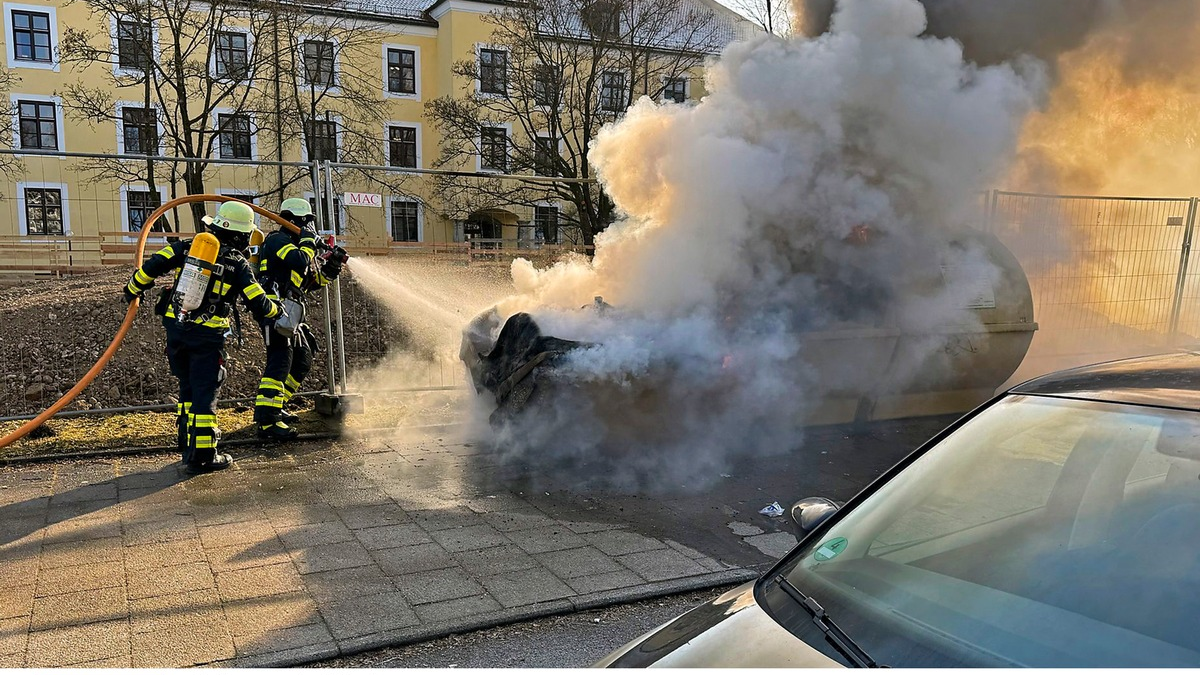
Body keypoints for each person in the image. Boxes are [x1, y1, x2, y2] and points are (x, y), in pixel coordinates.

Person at [123, 201, 281, 473]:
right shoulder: (236, 262)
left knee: (187, 387)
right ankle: (205, 456)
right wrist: (275, 307)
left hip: (175, 330)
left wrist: (132, 289)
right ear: (241, 235)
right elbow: (258, 302)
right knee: (205, 392)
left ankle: (187, 444)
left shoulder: (186, 247)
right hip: (207, 337)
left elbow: (152, 266)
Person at [253, 197, 343, 439]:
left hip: (290, 310)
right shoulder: (277, 240)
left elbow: (308, 283)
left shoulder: (295, 244)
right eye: (307, 222)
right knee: (280, 361)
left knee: (303, 357)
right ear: (295, 220)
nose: (310, 227)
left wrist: (331, 268)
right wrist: (308, 242)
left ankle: (277, 406)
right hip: (274, 310)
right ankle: (267, 421)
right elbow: (299, 259)